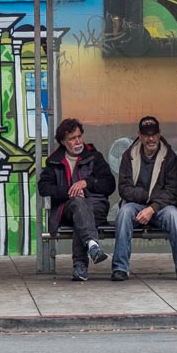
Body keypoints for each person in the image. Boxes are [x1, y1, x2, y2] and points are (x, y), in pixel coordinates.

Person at [111, 115, 177, 282]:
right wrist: (147, 198)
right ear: (140, 135)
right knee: (123, 213)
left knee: (174, 216)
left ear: (159, 134)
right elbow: (124, 188)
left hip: (160, 209)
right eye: (146, 134)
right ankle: (120, 268)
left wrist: (152, 208)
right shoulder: (128, 155)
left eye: (154, 134)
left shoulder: (170, 157)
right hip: (135, 206)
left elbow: (173, 191)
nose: (151, 138)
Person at [37, 118, 116, 282]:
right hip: (67, 209)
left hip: (96, 207)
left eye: (79, 136)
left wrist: (87, 183)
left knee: (81, 213)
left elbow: (109, 184)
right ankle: (92, 245)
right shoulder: (55, 161)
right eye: (73, 138)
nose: (78, 141)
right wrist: (70, 191)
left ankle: (80, 266)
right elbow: (44, 188)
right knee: (79, 206)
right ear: (63, 142)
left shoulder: (94, 157)